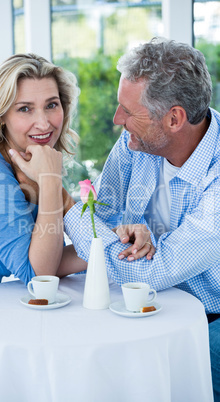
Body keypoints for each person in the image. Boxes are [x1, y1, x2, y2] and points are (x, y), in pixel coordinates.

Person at [62, 37, 220, 399]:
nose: (117, 120)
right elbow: (99, 207)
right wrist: (104, 219)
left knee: (183, 370)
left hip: (210, 313)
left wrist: (65, 209)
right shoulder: (140, 140)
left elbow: (155, 269)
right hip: (146, 299)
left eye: (128, 112)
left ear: (175, 118)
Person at [0, 52, 83, 297]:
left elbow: (47, 260)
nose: (43, 124)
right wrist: (50, 181)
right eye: (25, 109)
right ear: (1, 115)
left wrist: (109, 246)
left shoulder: (25, 164)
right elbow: (39, 275)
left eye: (51, 105)